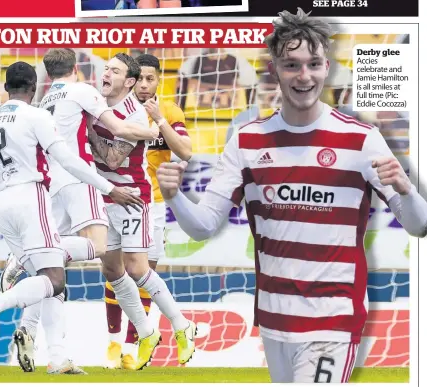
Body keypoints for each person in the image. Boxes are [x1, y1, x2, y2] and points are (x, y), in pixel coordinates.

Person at [156, 8, 427, 383]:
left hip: (334, 319)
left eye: (313, 64)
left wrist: (406, 188)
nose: (304, 76)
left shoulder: (361, 139)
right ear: (275, 68)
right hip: (274, 318)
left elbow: (419, 223)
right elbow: (203, 227)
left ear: (327, 66)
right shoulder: (247, 140)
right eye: (292, 65)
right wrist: (173, 196)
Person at [0, 61, 144, 373]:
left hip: (3, 205)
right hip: (31, 198)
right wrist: (109, 188)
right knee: (61, 272)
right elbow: (68, 160)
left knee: (50, 281)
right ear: (34, 89)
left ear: (5, 88)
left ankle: (58, 359)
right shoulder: (37, 116)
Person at [10, 48, 157, 374]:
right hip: (80, 181)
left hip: (49, 185)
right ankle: (151, 331)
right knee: (106, 255)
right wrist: (151, 130)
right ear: (76, 67)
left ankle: (35, 335)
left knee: (50, 267)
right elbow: (118, 130)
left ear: (46, 76)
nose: (105, 74)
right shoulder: (83, 92)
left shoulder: (44, 101)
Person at [89, 53, 197, 370]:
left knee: (139, 270)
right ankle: (117, 341)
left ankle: (142, 340)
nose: (147, 85)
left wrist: (159, 122)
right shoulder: (107, 107)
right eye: (143, 78)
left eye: (152, 79)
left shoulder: (157, 112)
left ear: (157, 80)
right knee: (112, 271)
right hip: (107, 195)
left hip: (143, 199)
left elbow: (187, 152)